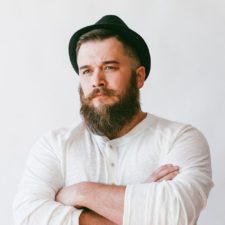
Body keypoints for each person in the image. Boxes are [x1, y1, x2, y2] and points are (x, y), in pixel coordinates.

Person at [13, 15, 213, 225]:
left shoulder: (180, 138)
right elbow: (27, 217)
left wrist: (80, 193)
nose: (96, 81)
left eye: (109, 67)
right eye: (87, 71)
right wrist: (141, 208)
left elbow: (174, 216)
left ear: (139, 77)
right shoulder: (55, 145)